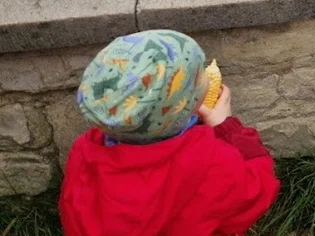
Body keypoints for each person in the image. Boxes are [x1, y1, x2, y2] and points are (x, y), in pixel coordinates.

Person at [59, 30, 280, 236]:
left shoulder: (85, 149)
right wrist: (228, 127)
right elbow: (258, 191)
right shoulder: (212, 162)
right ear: (182, 104)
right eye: (198, 76)